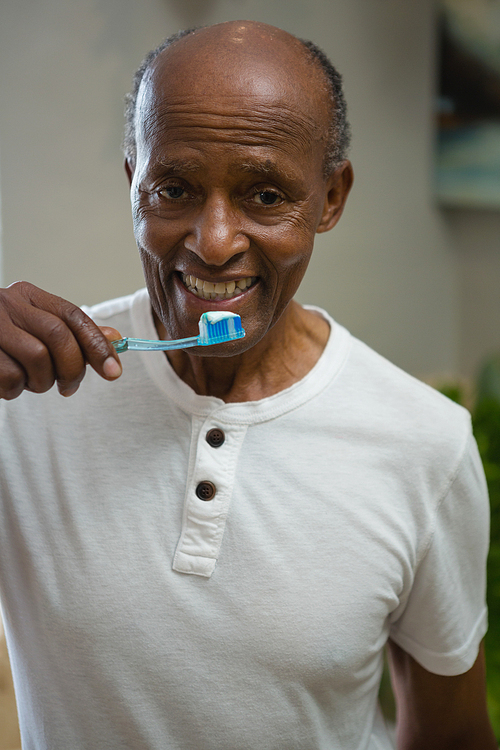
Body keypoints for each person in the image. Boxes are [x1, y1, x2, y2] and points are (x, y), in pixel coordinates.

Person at [0, 20, 496, 750]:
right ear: (133, 177)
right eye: (174, 187)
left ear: (331, 198)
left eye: (266, 196)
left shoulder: (427, 444)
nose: (216, 240)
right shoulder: (24, 400)